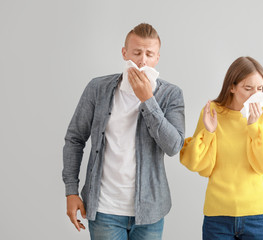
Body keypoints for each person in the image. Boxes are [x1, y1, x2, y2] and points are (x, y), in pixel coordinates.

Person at [62, 23, 185, 240]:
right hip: (104, 210)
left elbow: (174, 146)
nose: (142, 60)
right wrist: (71, 190)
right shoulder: (97, 88)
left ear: (157, 57)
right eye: (137, 52)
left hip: (150, 212)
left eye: (149, 54)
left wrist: (148, 99)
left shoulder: (171, 95)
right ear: (124, 53)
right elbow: (74, 139)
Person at [180, 56, 263, 240]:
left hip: (257, 216)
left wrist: (254, 127)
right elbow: (197, 164)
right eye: (248, 88)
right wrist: (208, 131)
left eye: (260, 89)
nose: (255, 95)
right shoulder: (212, 111)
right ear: (232, 87)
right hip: (218, 216)